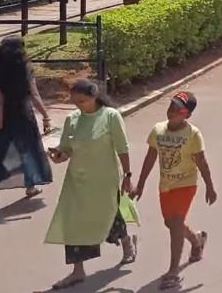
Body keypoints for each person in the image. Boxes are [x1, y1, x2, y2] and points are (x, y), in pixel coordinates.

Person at [44, 80, 138, 290]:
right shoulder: (72, 119)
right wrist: (59, 155)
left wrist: (128, 176)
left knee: (110, 216)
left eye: (82, 101)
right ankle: (78, 271)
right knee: (74, 223)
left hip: (105, 180)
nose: (78, 105)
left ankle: (126, 241)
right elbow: (67, 149)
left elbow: (122, 148)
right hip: (77, 182)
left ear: (94, 96)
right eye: (75, 102)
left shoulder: (110, 116)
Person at [132, 92, 218, 290]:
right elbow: (150, 158)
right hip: (166, 185)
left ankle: (173, 271)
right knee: (171, 223)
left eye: (178, 109)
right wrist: (141, 184)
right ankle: (196, 240)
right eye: (170, 106)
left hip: (186, 184)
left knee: (176, 223)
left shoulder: (193, 135)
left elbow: (202, 162)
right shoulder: (158, 131)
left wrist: (210, 187)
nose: (172, 112)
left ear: (187, 115)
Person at [0, 37, 53, 216]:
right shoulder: (25, 71)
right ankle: (31, 187)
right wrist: (46, 116)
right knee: (27, 153)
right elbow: (34, 96)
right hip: (21, 117)